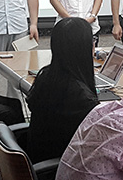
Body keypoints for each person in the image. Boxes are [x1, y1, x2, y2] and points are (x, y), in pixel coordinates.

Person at [26, 17, 99, 163]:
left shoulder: (45, 75)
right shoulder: (81, 97)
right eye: (93, 40)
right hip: (64, 167)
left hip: (39, 155)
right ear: (84, 47)